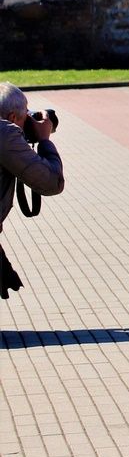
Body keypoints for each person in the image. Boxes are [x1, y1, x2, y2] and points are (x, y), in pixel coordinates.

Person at [1, 83, 65, 299]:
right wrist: (45, 139)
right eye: (24, 116)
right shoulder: (5, 134)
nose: (28, 120)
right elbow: (51, 182)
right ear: (11, 117)